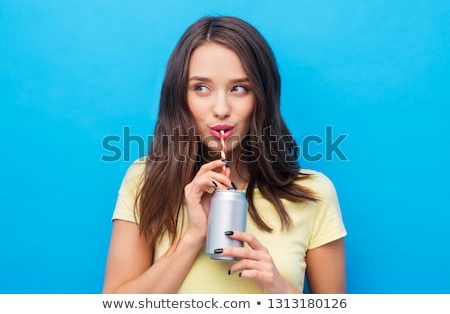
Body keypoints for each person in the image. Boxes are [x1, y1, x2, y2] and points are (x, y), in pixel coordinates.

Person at [102, 16, 347, 294]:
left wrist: (279, 289)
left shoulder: (314, 192)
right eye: (201, 88)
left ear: (262, 97)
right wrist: (194, 238)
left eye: (239, 88)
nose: (221, 109)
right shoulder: (146, 179)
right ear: (180, 97)